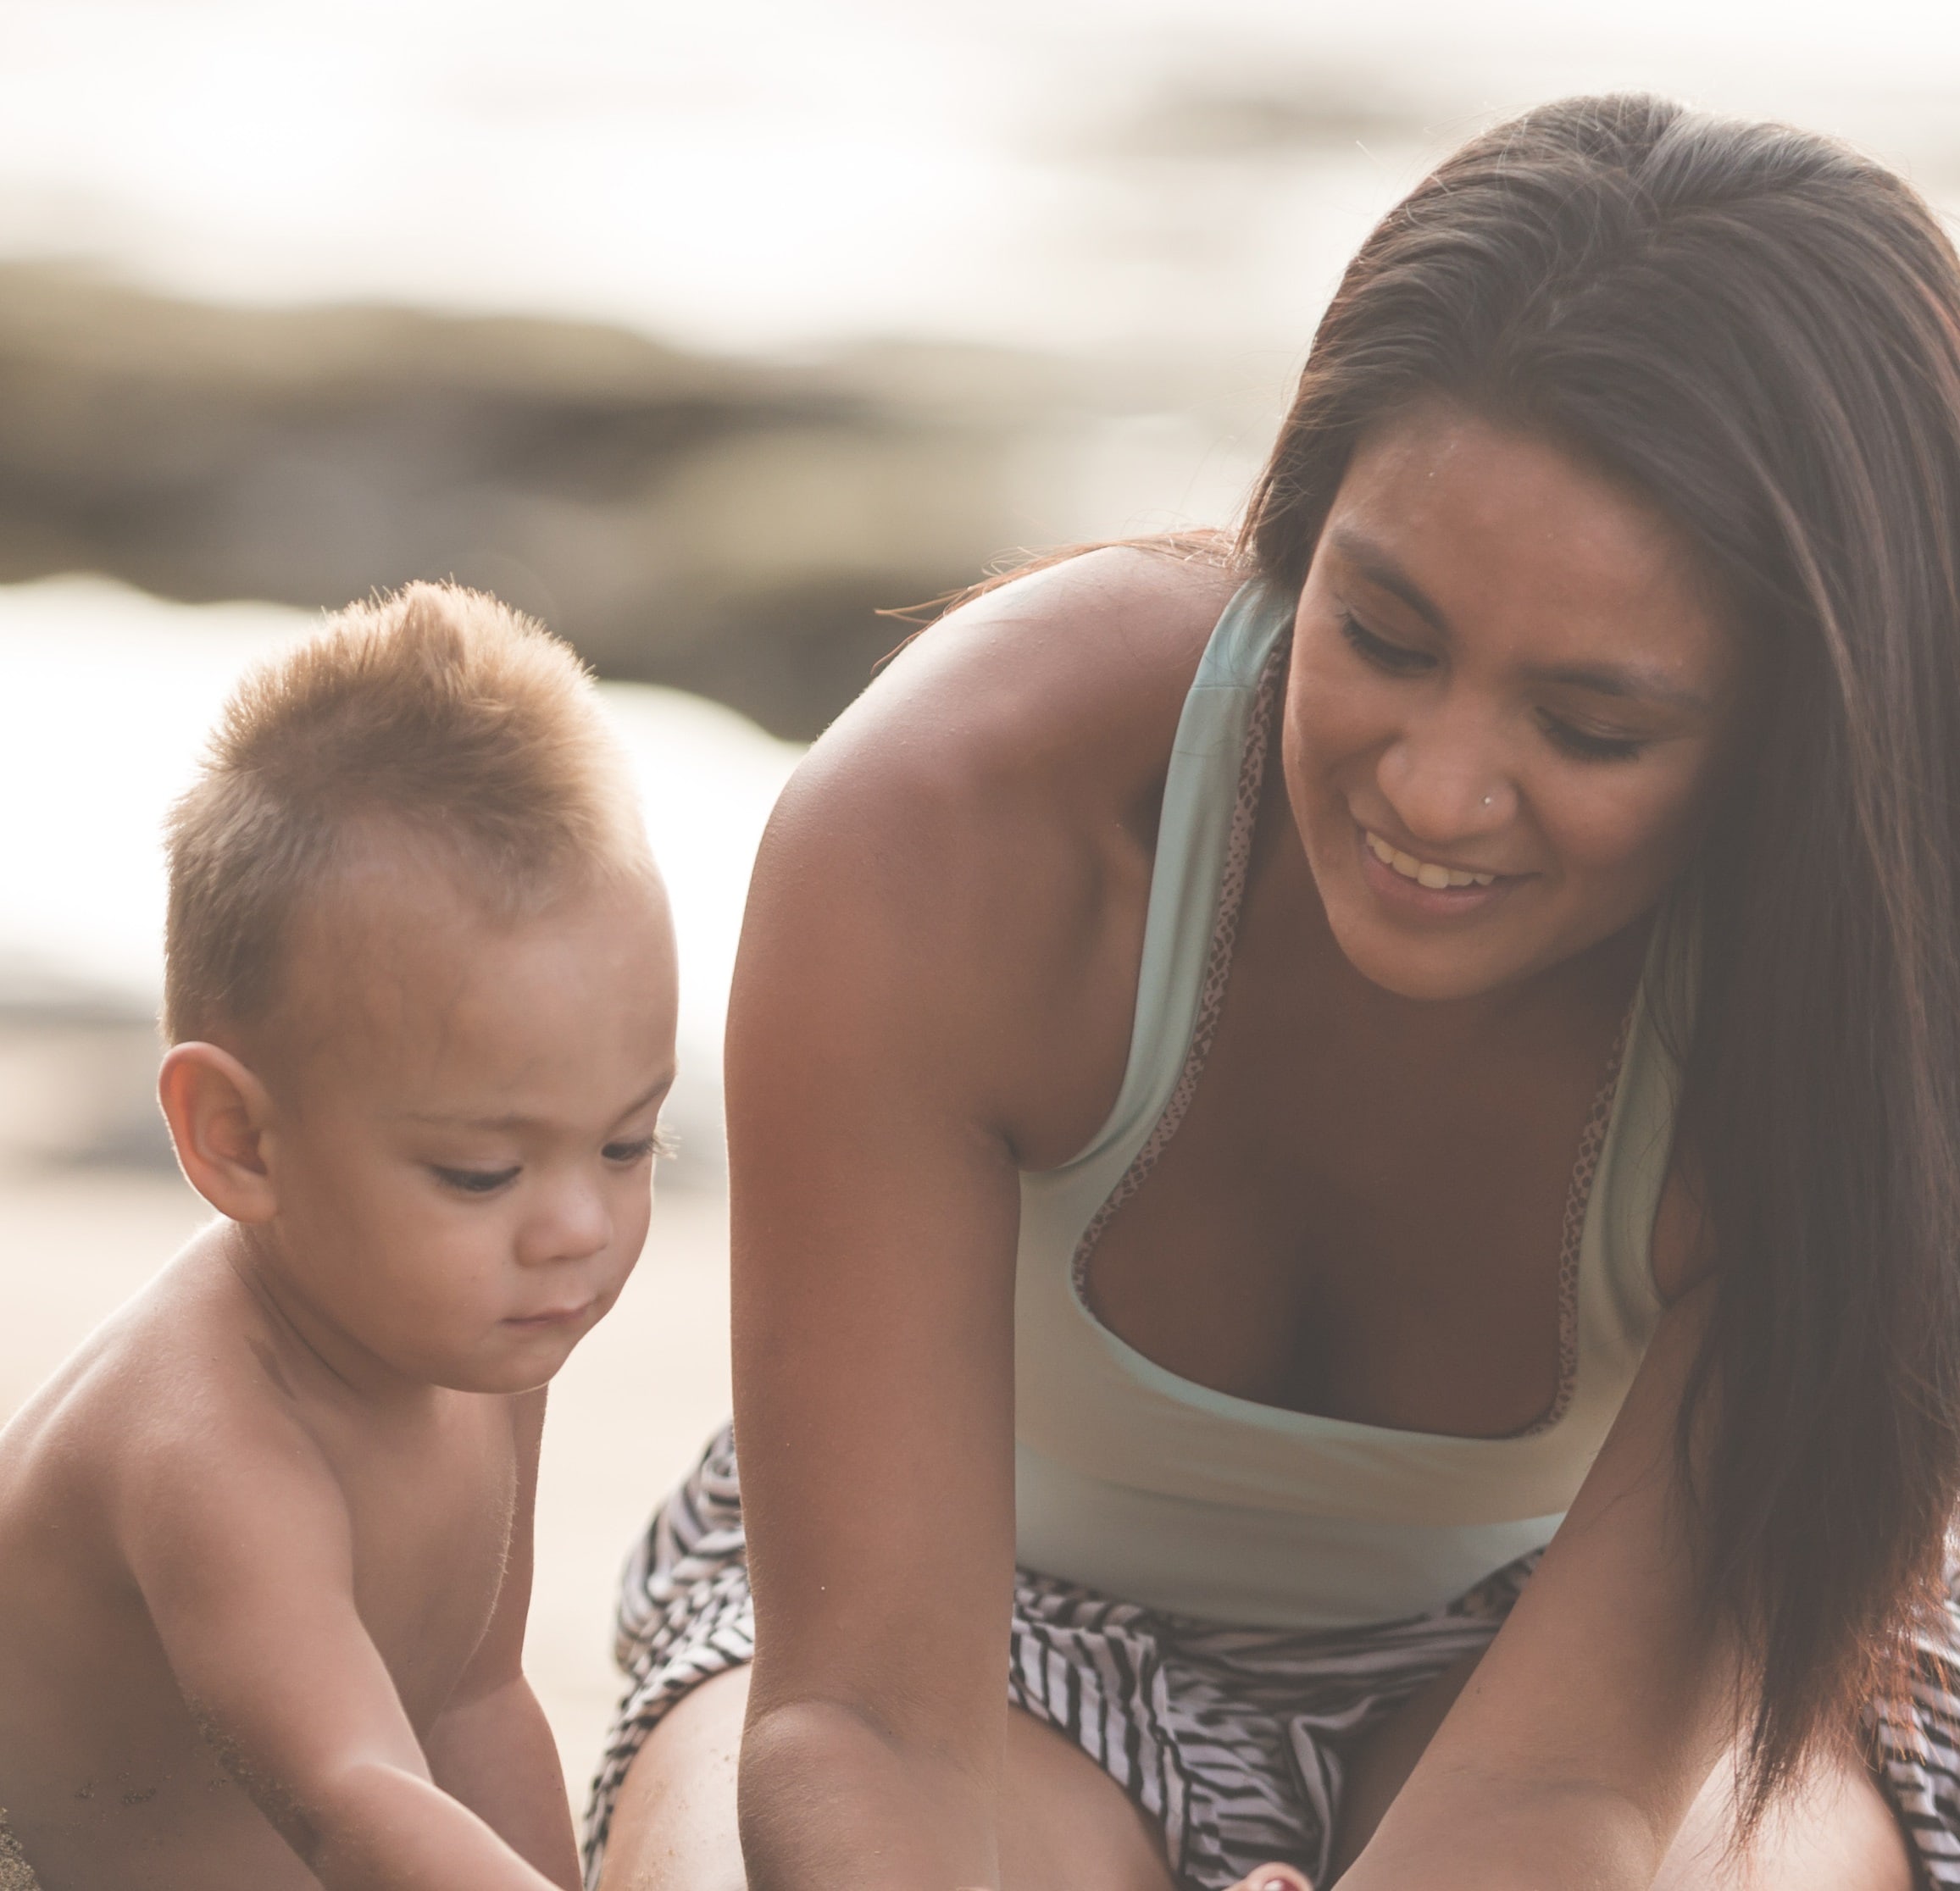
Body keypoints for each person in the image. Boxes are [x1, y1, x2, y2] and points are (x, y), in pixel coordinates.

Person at [589, 96, 1960, 1891]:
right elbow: (865, 1728)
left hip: (1577, 1692)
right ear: (1290, 545)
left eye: (1588, 726)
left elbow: (1569, 1801)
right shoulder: (960, 825)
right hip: (956, 1632)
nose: (1434, 788)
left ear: (1798, 735)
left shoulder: (1876, 1025)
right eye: (1379, 636)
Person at [0, 584, 679, 1891]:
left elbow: (471, 1706)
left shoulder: (479, 1340)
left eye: (629, 1144)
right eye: (480, 1172)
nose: (579, 1229)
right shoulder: (209, 1443)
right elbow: (352, 1795)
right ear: (239, 1141)